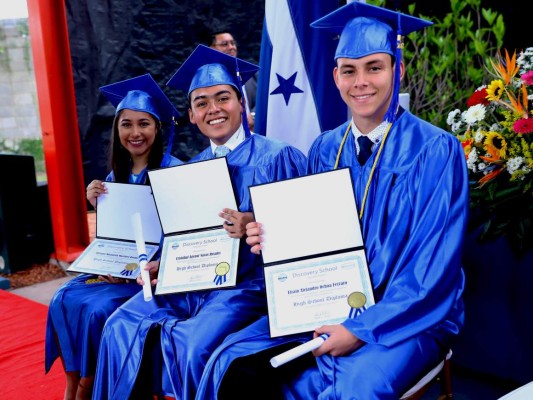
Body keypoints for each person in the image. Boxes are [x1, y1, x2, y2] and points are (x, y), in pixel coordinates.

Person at [195, 2, 470, 399]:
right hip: (324, 302)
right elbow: (308, 237)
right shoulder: (325, 149)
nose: (361, 82)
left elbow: (432, 269)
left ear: (399, 70)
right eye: (349, 70)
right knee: (229, 360)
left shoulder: (435, 150)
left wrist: (360, 328)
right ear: (335, 77)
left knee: (348, 387)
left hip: (410, 315)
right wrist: (268, 234)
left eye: (374, 67)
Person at [91, 44, 307, 400]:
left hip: (249, 287)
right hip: (194, 280)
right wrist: (166, 263)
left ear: (241, 103)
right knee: (119, 324)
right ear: (191, 115)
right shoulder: (192, 168)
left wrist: (256, 221)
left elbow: (305, 231)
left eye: (223, 98)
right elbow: (186, 237)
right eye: (201, 103)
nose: (213, 109)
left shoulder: (278, 157)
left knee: (192, 345)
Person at [44, 73, 182, 400]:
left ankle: (90, 384)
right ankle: (72, 383)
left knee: (96, 309)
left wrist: (147, 267)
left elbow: (179, 238)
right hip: (115, 271)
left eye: (144, 123)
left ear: (158, 127)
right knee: (64, 297)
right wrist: (96, 203)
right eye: (126, 124)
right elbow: (111, 238)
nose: (135, 133)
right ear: (116, 130)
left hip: (152, 276)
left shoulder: (174, 172)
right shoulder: (112, 177)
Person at [208, 29, 258, 131]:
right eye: (224, 44)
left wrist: (252, 116)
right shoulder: (206, 80)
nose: (231, 47)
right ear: (212, 48)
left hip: (255, 133)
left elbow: (262, 100)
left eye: (232, 43)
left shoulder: (250, 74)